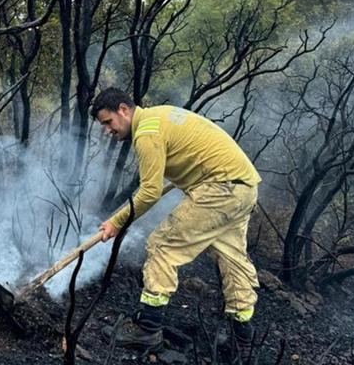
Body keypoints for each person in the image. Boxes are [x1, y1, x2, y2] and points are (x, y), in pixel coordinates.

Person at [92, 88, 261, 352]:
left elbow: (149, 192)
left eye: (108, 122)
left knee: (161, 247)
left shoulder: (147, 132)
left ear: (123, 110)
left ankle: (147, 329)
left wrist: (116, 221)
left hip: (219, 188)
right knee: (232, 259)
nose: (107, 130)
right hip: (243, 188)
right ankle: (243, 338)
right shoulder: (158, 117)